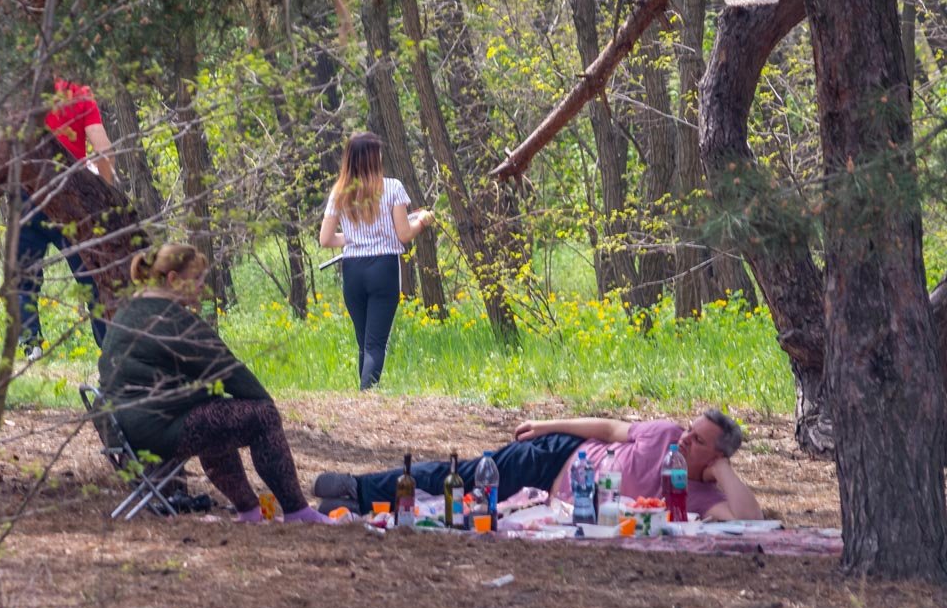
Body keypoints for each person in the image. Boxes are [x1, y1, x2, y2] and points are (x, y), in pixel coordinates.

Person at [98, 243, 331, 525]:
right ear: (172, 279)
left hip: (122, 427)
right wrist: (265, 403)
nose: (201, 289)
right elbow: (228, 369)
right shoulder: (173, 319)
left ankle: (249, 511)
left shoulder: (130, 310)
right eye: (196, 280)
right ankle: (297, 511)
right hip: (154, 430)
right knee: (262, 417)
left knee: (213, 415)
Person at [313, 410, 764, 522]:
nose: (684, 438)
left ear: (718, 453)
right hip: (556, 457)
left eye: (697, 439)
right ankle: (358, 487)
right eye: (689, 429)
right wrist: (546, 425)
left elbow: (749, 519)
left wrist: (719, 472)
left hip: (569, 503)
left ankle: (359, 502)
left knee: (471, 504)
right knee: (468, 477)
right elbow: (608, 429)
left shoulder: (707, 494)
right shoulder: (664, 431)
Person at [319, 131, 434, 390]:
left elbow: (325, 239)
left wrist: (353, 238)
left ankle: (363, 399)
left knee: (364, 343)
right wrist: (423, 221)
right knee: (375, 344)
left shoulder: (339, 192)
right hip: (383, 268)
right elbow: (404, 234)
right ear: (374, 157)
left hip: (352, 270)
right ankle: (367, 397)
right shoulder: (393, 187)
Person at [17, 76, 115, 359]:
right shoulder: (80, 95)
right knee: (88, 274)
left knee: (24, 273)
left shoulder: (23, 94)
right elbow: (104, 151)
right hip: (70, 195)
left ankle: (30, 342)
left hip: (27, 195)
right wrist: (105, 192)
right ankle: (107, 343)